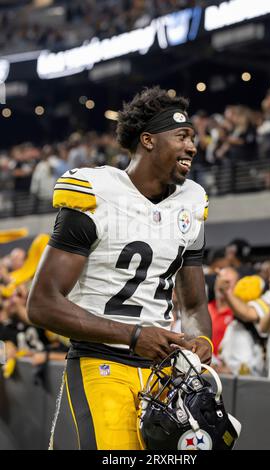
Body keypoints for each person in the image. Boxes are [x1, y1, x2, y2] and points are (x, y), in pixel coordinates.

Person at [27, 86, 212, 450]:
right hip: (102, 361)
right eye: (181, 137)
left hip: (164, 373)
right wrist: (132, 335)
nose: (192, 146)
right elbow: (42, 303)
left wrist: (200, 341)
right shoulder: (96, 192)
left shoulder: (191, 202)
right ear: (147, 141)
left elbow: (192, 305)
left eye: (192, 137)